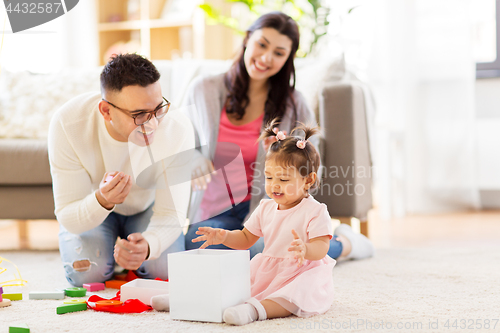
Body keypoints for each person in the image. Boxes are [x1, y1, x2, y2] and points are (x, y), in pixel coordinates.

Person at [183, 11, 373, 261]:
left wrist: (288, 154)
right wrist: (195, 158)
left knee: (262, 252)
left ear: (288, 59)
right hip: (215, 208)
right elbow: (178, 142)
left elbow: (313, 164)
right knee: (199, 246)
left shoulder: (294, 105)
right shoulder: (203, 90)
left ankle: (344, 244)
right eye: (262, 45)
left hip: (272, 207)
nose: (265, 58)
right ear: (247, 39)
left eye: (279, 53)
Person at [48, 54, 194, 287]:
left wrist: (148, 245)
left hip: (148, 209)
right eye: (139, 115)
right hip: (93, 206)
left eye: (158, 109)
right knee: (86, 274)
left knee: (164, 270)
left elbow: (172, 212)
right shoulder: (68, 124)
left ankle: (125, 255)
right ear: (106, 111)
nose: (153, 124)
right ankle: (108, 254)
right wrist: (102, 200)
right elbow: (68, 215)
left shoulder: (177, 127)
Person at [192, 122, 335, 325]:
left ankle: (254, 311)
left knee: (291, 297)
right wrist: (223, 236)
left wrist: (306, 249)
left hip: (301, 271)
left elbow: (322, 247)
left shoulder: (315, 211)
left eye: (284, 180)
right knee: (236, 285)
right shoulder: (266, 207)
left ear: (308, 180)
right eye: (269, 177)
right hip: (269, 268)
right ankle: (190, 300)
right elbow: (245, 239)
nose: (274, 184)